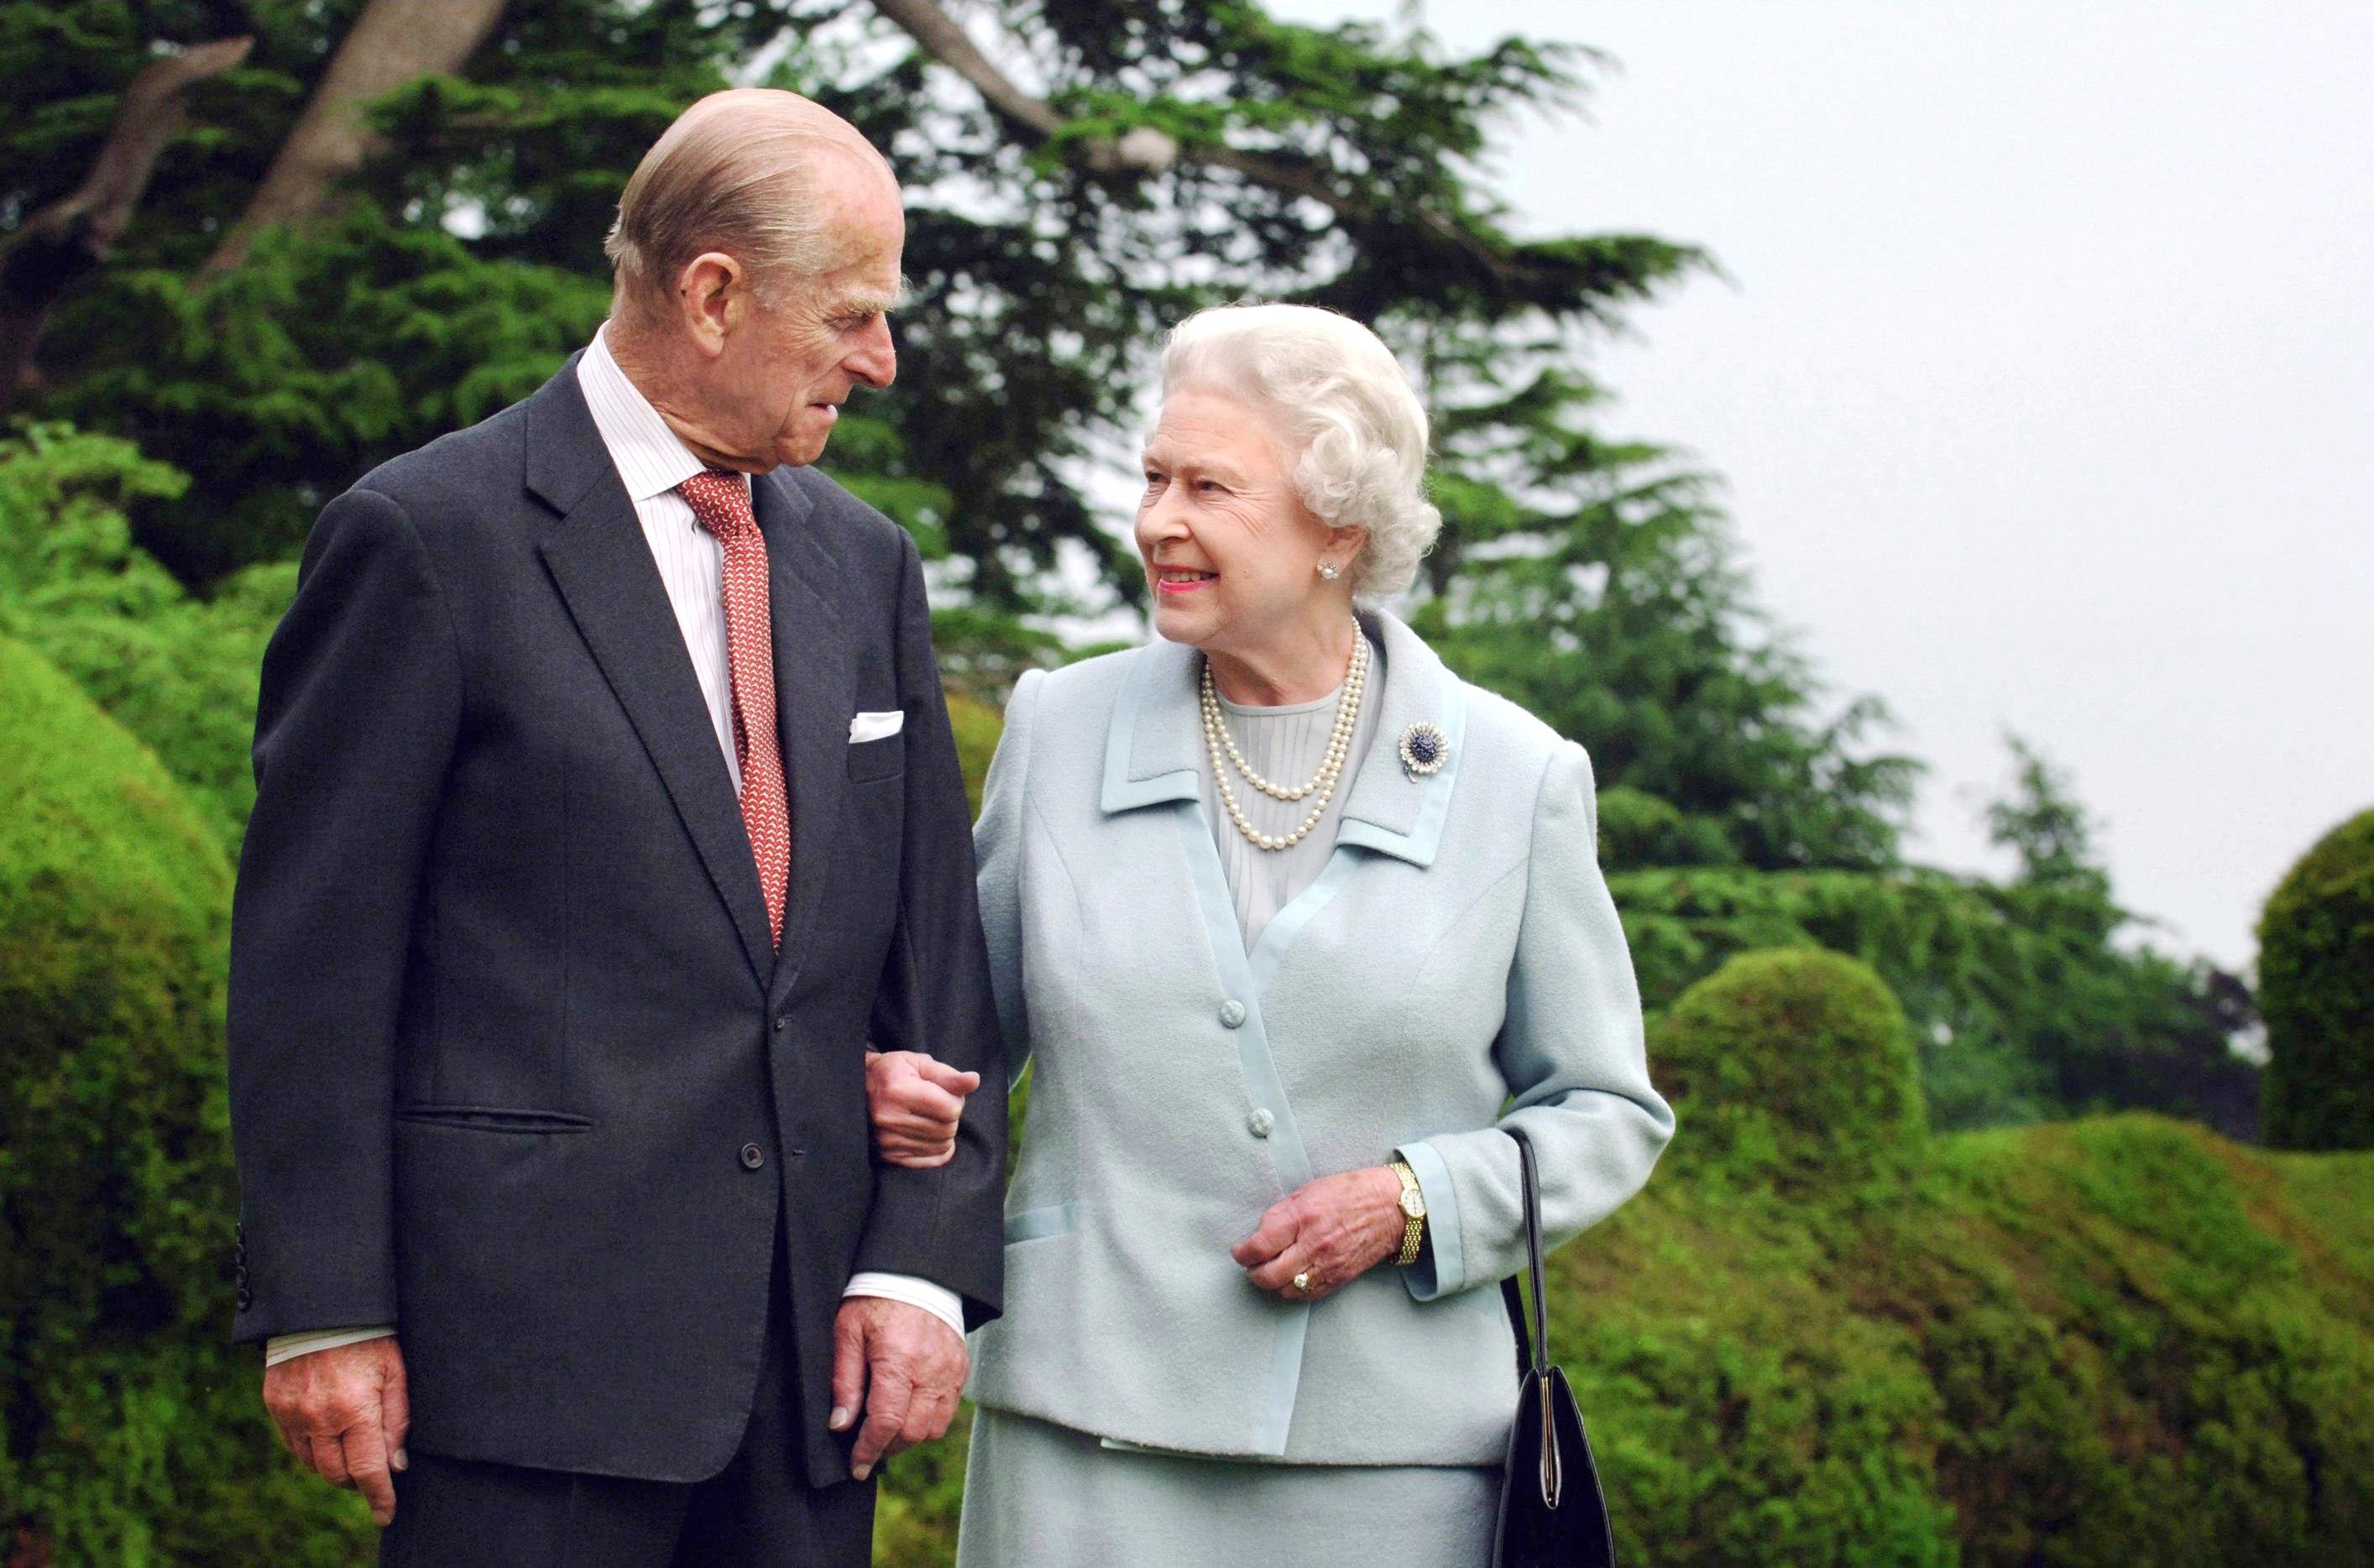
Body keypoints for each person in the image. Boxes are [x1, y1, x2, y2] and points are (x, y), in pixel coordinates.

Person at [227, 89, 1005, 1565]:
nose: (882, 362)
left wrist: (922, 1267)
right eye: (853, 313)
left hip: (809, 1383)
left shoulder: (865, 563)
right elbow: (310, 968)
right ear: (713, 293)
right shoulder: (424, 538)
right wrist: (324, 1308)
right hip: (519, 1374)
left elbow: (932, 953)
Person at [865, 301, 1676, 1565]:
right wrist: (891, 1079)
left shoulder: (1515, 776)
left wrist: (1414, 1200)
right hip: (1084, 1440)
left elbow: (1605, 1110)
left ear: (1338, 530)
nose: (1157, 521)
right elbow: (953, 1038)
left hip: (1392, 1465)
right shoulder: (1060, 730)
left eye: (1209, 488)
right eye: (1150, 478)